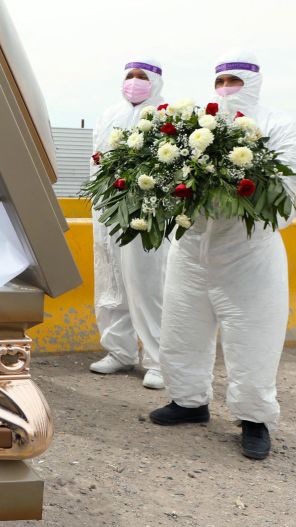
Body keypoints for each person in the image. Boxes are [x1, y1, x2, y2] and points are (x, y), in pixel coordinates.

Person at [151, 51, 296, 460]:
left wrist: (230, 184)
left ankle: (255, 420)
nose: (226, 89)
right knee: (181, 327)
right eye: (220, 81)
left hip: (248, 251)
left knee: (253, 336)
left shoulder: (280, 125)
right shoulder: (197, 123)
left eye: (235, 81)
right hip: (191, 247)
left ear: (253, 82)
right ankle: (188, 402)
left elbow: (286, 197)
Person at [89, 59, 169, 390]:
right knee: (111, 282)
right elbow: (95, 160)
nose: (134, 82)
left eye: (142, 77)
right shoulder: (108, 115)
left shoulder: (167, 115)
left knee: (148, 285)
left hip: (146, 211)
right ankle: (119, 352)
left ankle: (158, 361)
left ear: (156, 81)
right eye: (130, 76)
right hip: (108, 209)